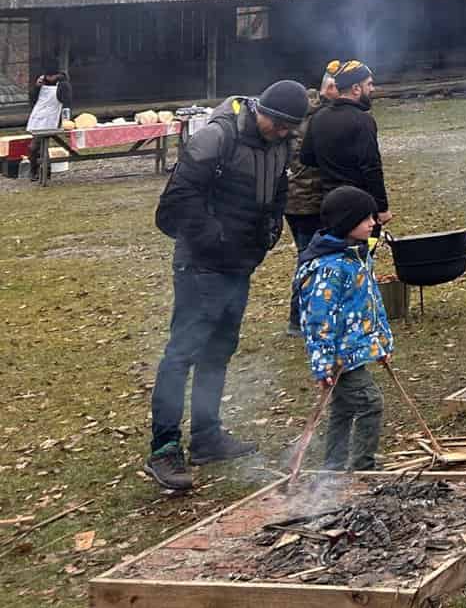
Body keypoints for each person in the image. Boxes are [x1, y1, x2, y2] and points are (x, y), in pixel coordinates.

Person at [144, 80, 309, 492]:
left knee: (220, 350)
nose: (284, 132)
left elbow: (277, 195)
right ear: (261, 110)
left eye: (291, 127)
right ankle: (164, 447)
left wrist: (266, 236)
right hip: (201, 265)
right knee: (182, 353)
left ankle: (206, 436)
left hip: (239, 265)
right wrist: (214, 239)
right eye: (279, 123)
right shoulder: (216, 137)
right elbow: (178, 201)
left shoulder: (281, 145)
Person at [295, 185, 393, 471]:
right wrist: (323, 365)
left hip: (358, 349)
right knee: (370, 403)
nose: (373, 223)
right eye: (366, 219)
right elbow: (318, 322)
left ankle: (334, 467)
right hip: (341, 357)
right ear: (346, 222)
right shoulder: (328, 269)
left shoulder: (358, 257)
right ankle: (363, 467)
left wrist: (381, 345)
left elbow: (371, 304)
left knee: (343, 409)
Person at [283, 64, 339, 338]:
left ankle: (306, 316)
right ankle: (299, 319)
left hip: (292, 200)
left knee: (307, 257)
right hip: (308, 200)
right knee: (309, 260)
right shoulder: (317, 118)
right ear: (329, 89)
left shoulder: (297, 114)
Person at [300, 61, 391, 227]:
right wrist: (382, 207)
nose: (373, 89)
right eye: (369, 84)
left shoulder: (318, 117)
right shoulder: (363, 120)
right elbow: (371, 167)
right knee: (361, 250)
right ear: (356, 88)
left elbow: (306, 157)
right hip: (360, 203)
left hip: (330, 202)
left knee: (337, 248)